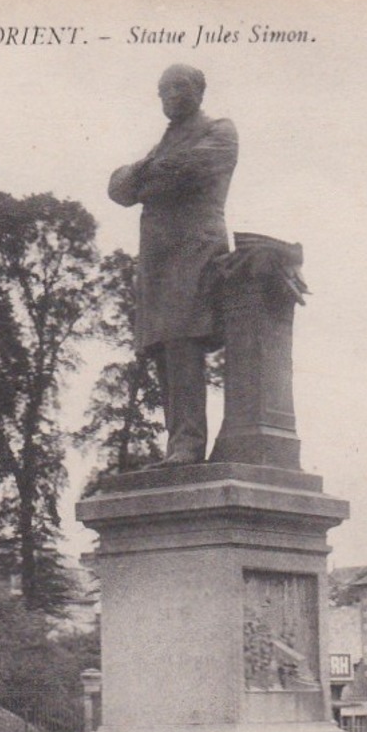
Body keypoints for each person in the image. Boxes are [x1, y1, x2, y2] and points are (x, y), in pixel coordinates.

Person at [108, 65, 238, 465]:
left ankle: (188, 444)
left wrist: (143, 175)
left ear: (199, 89)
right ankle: (177, 442)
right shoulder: (164, 142)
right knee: (163, 346)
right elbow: (119, 189)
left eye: (177, 87)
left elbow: (186, 172)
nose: (168, 96)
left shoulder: (220, 130)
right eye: (162, 90)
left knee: (183, 341)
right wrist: (145, 176)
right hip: (159, 257)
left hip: (194, 248)